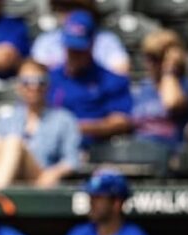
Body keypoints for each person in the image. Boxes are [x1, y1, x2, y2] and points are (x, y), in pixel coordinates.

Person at [0, 59, 81, 189]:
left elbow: (72, 160)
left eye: (40, 81)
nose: (33, 87)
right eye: (26, 82)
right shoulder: (6, 118)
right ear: (18, 85)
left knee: (14, 142)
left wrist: (55, 173)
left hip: (40, 176)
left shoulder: (63, 119)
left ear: (47, 85)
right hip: (5, 175)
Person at [46, 11, 133, 147]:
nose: (74, 54)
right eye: (70, 48)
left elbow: (121, 121)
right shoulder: (51, 78)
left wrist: (78, 128)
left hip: (95, 149)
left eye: (79, 49)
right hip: (53, 147)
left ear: (92, 44)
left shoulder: (110, 80)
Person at [130, 30, 188, 151]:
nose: (150, 63)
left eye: (156, 58)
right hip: (141, 153)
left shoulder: (185, 85)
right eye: (148, 57)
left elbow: (171, 104)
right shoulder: (142, 87)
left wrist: (169, 71)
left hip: (170, 154)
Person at [30, 0, 129, 75]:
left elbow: (121, 72)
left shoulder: (107, 41)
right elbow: (36, 75)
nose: (69, 14)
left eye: (75, 8)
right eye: (63, 8)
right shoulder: (46, 41)